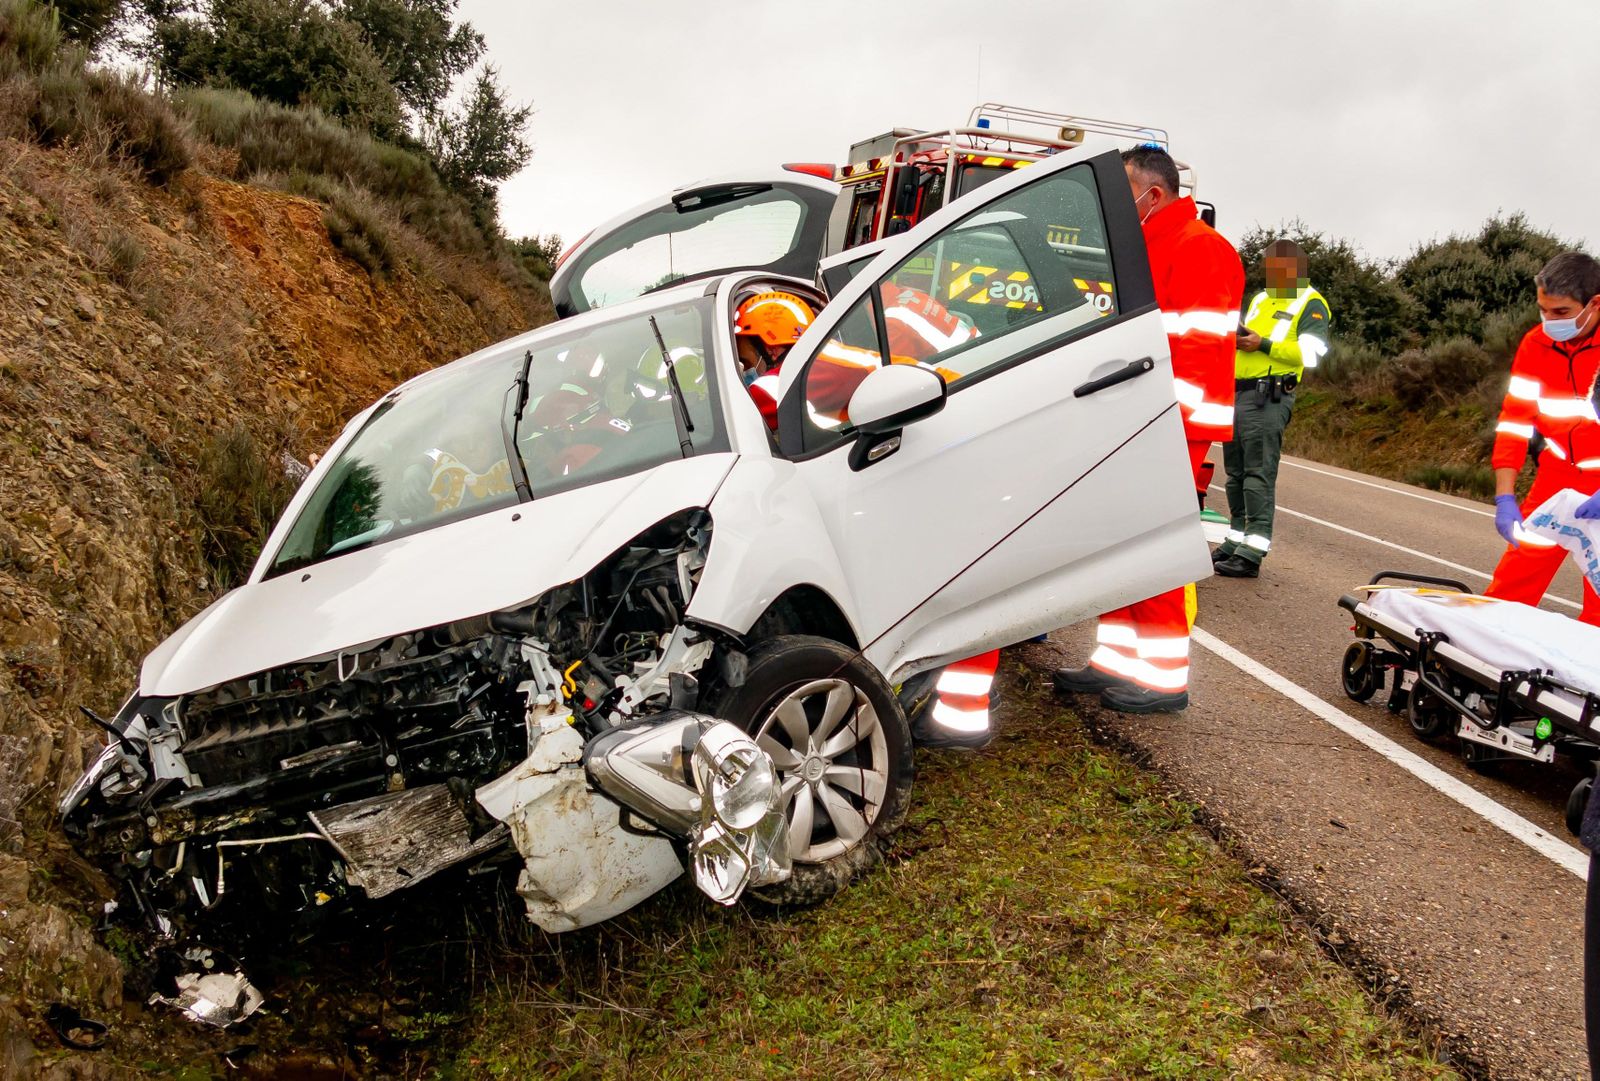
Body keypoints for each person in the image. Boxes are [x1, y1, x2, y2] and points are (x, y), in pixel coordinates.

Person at [1053, 144, 1244, 714]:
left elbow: (1197, 358)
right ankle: (1117, 658)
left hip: (1170, 426)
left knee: (1151, 547)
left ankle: (1163, 678)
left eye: (1124, 191)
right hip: (1140, 422)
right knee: (1121, 545)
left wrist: (1159, 424)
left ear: (1153, 195)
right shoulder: (1153, 246)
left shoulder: (1200, 251)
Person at [1487, 251, 1600, 626]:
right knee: (1509, 589)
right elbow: (1514, 422)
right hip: (1555, 479)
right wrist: (1505, 495)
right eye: (1543, 310)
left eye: (1561, 312)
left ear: (1594, 303)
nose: (1549, 321)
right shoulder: (1535, 344)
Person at [1212, 240, 1332, 578]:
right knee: (1235, 473)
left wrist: (1262, 344)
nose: (1270, 272)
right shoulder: (1263, 299)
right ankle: (1235, 540)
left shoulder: (1312, 303)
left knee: (1257, 474)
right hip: (1239, 392)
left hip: (1270, 397)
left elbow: (1312, 354)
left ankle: (1253, 551)